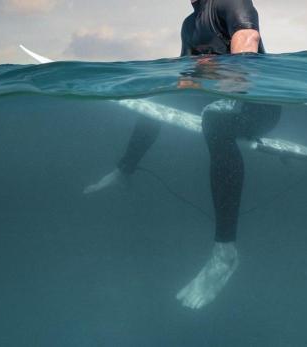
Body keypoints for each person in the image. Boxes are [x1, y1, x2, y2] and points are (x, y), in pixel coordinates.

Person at [83, 0, 281, 309]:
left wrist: (222, 89)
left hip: (259, 107)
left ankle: (225, 251)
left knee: (214, 120)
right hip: (216, 98)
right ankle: (126, 170)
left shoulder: (231, 2)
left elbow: (247, 49)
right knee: (156, 101)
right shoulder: (190, 24)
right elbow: (185, 77)